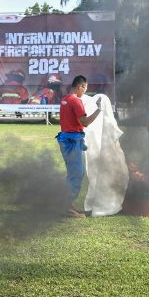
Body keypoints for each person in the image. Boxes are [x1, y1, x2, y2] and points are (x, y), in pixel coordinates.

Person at [57, 75, 102, 218]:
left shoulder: (65, 99)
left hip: (66, 139)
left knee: (73, 173)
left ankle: (67, 204)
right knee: (77, 174)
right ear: (80, 87)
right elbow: (85, 122)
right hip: (71, 141)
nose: (85, 92)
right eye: (85, 88)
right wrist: (98, 110)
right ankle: (66, 207)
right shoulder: (76, 101)